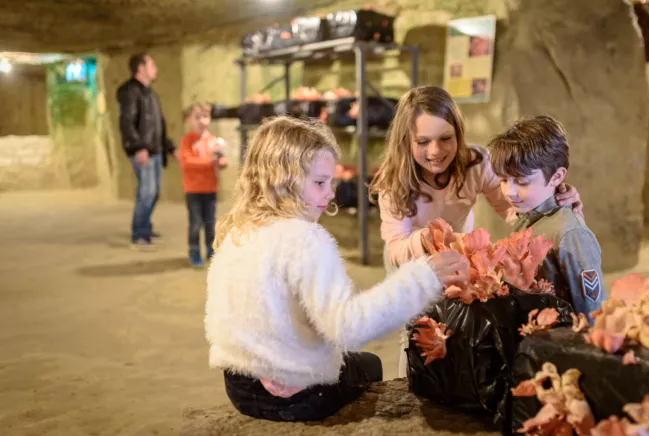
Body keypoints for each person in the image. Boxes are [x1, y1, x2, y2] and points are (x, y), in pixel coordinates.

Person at [204, 116, 470, 422]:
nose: (330, 193)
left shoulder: (238, 231)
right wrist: (425, 277)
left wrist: (270, 363)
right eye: (320, 183)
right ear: (283, 180)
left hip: (239, 384)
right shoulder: (302, 239)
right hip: (293, 395)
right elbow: (348, 328)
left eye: (330, 182)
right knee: (369, 364)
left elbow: (235, 318)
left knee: (350, 359)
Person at [367, 85, 584, 377]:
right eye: (423, 141)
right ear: (406, 141)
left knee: (455, 325)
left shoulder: (477, 163)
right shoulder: (392, 181)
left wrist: (553, 200)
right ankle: (412, 384)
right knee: (416, 328)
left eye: (446, 138)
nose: (435, 151)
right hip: (409, 258)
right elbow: (395, 248)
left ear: (459, 133)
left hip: (456, 255)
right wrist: (428, 240)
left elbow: (514, 210)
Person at [488, 115, 606, 318]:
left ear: (557, 177)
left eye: (522, 182)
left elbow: (591, 312)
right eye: (503, 180)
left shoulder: (570, 234)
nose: (509, 192)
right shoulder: (526, 217)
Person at [117, 53, 176, 251]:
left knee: (154, 192)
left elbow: (158, 125)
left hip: (155, 150)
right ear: (141, 68)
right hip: (144, 151)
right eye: (152, 65)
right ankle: (139, 234)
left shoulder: (150, 93)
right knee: (147, 192)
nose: (156, 69)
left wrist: (170, 147)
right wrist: (138, 147)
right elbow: (127, 122)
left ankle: (145, 227)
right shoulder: (129, 92)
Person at [179, 102, 228, 267]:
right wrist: (209, 161)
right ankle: (194, 251)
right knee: (195, 223)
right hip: (193, 190)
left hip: (210, 189)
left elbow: (222, 160)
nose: (202, 121)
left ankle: (210, 249)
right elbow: (187, 162)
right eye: (197, 117)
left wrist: (221, 161)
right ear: (189, 120)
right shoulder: (187, 140)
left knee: (210, 222)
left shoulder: (214, 140)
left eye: (205, 117)